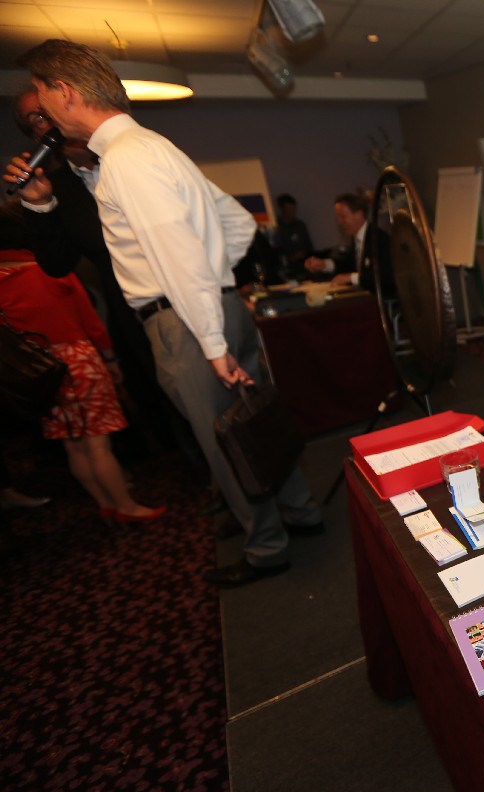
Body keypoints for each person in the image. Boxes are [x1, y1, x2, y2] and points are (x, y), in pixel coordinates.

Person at [12, 39, 323, 586]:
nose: (43, 111)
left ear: (65, 92)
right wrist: (218, 285)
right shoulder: (149, 145)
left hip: (186, 319)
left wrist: (210, 340)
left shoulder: (126, 160)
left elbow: (178, 258)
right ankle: (302, 512)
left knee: (225, 443)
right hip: (215, 306)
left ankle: (266, 548)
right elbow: (236, 225)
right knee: (255, 422)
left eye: (42, 94)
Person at [10, 88, 177, 454]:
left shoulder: (130, 156)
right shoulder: (58, 189)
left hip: (187, 294)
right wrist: (39, 204)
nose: (49, 120)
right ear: (36, 135)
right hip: (134, 315)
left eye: (50, 108)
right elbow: (57, 265)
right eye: (36, 118)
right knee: (169, 407)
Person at [0, 251, 164, 523]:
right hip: (77, 361)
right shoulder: (51, 268)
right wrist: (110, 357)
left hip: (37, 373)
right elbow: (90, 319)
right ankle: (126, 507)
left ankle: (105, 504)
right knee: (98, 445)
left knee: (73, 445)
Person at [303, 192, 394, 297]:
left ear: (359, 215)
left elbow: (384, 276)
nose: (340, 222)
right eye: (338, 218)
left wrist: (351, 277)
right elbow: (349, 265)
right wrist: (324, 264)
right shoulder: (356, 239)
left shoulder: (379, 239)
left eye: (343, 217)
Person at [274, 193, 313, 277]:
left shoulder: (300, 225)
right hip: (288, 269)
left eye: (294, 209)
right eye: (289, 210)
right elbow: (277, 252)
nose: (292, 212)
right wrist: (291, 257)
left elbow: (309, 246)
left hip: (304, 266)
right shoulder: (276, 228)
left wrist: (305, 253)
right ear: (282, 209)